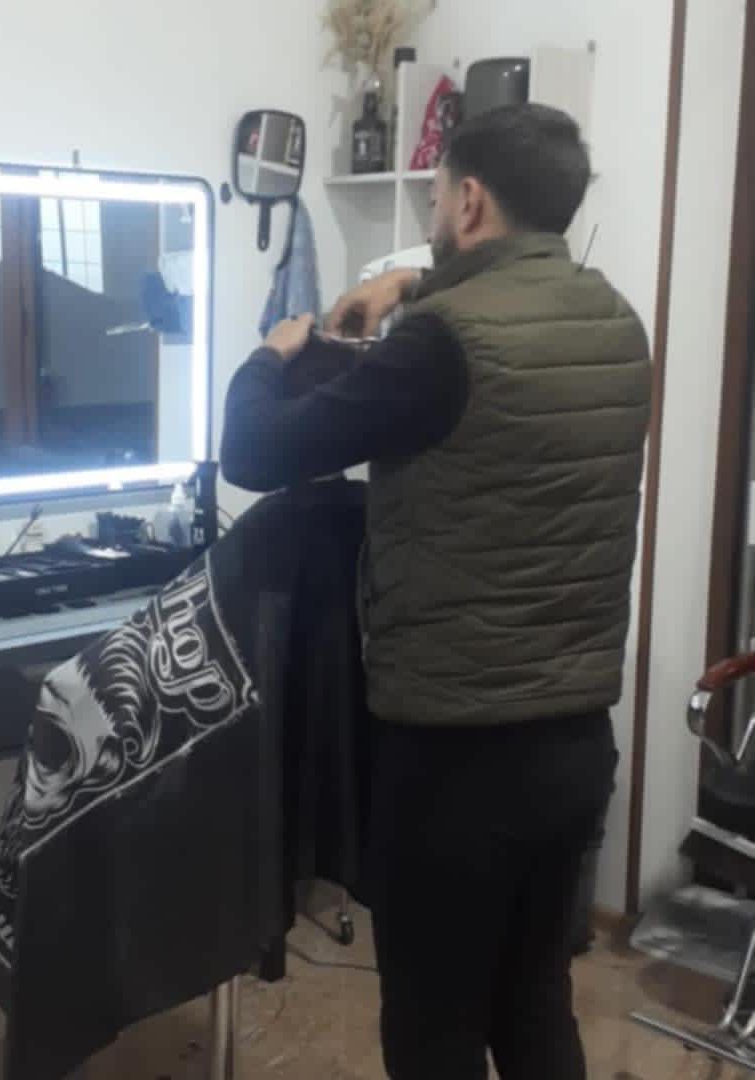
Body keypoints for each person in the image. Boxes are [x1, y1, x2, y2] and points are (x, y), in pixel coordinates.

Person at [220, 104, 651, 1080]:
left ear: (468, 200)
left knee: (434, 1030)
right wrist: (406, 281)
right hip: (576, 745)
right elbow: (505, 327)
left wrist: (272, 354)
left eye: (437, 197)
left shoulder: (440, 347)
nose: (433, 215)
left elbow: (253, 451)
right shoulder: (614, 321)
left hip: (457, 760)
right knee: (534, 1002)